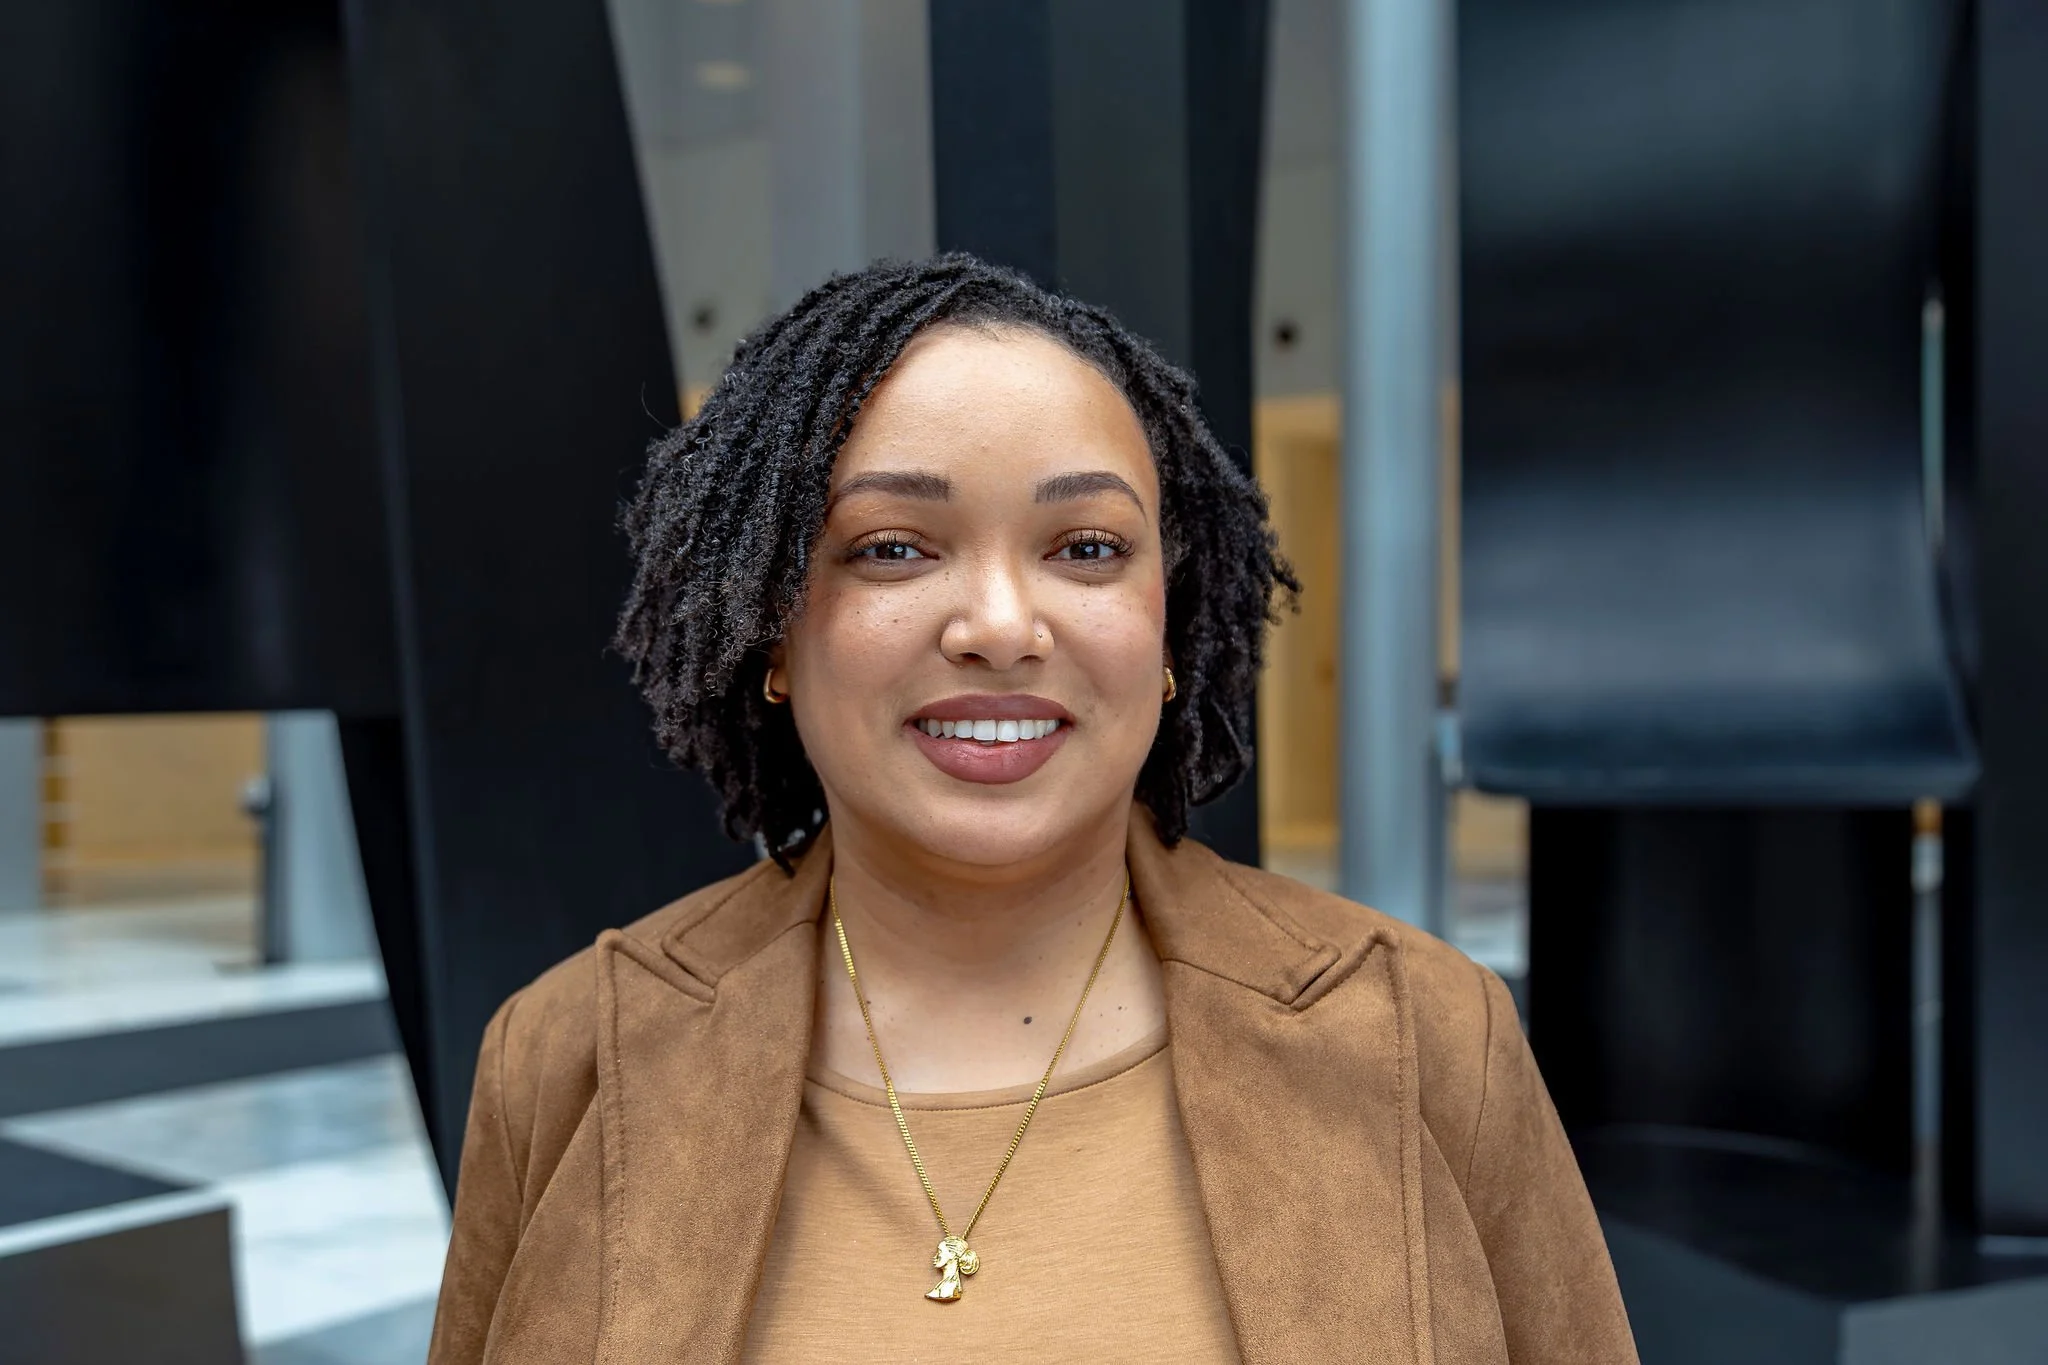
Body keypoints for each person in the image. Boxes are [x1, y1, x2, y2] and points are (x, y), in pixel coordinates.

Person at [425, 254, 1637, 1364]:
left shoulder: (1422, 1037)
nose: (1001, 627)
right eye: (893, 548)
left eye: (1087, 548)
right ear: (772, 633)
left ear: (1167, 621)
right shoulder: (571, 1056)